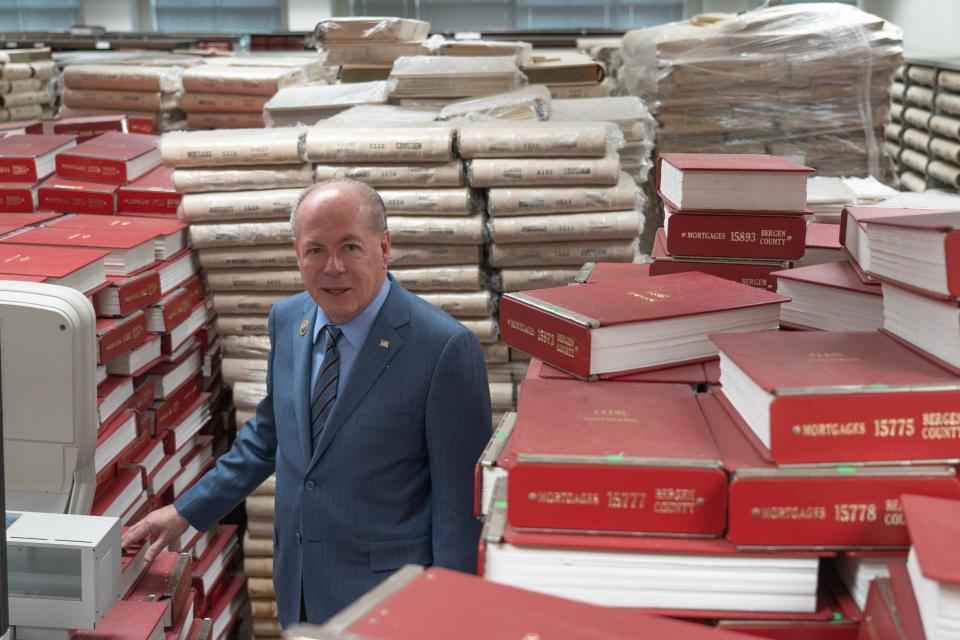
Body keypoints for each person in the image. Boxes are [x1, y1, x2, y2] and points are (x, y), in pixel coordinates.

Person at [123, 179, 492, 626]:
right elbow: (267, 439)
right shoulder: (288, 319)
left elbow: (461, 510)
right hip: (298, 589)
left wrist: (450, 622)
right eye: (316, 250)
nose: (333, 267)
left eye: (351, 247)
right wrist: (184, 513)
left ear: (385, 247)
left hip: (392, 604)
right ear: (297, 253)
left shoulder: (443, 348)